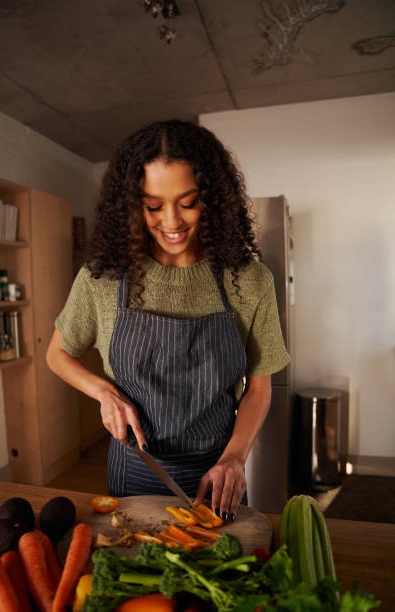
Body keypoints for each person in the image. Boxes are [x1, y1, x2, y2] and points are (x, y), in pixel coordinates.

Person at [46, 119, 290, 521]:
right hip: (134, 469)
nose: (172, 222)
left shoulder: (248, 280)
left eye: (189, 202)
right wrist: (103, 393)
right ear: (131, 202)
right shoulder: (103, 276)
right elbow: (57, 354)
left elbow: (260, 388)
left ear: (213, 198)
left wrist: (234, 459)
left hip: (217, 472)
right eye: (153, 205)